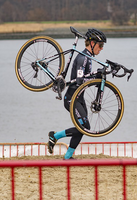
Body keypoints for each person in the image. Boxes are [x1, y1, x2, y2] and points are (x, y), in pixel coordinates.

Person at [47, 28, 107, 159]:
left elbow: (86, 79)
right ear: (92, 43)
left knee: (84, 127)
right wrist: (95, 77)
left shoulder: (89, 58)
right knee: (84, 127)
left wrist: (97, 77)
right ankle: (55, 136)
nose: (101, 48)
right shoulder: (83, 58)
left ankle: (67, 156)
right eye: (100, 45)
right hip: (72, 99)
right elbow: (80, 81)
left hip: (79, 99)